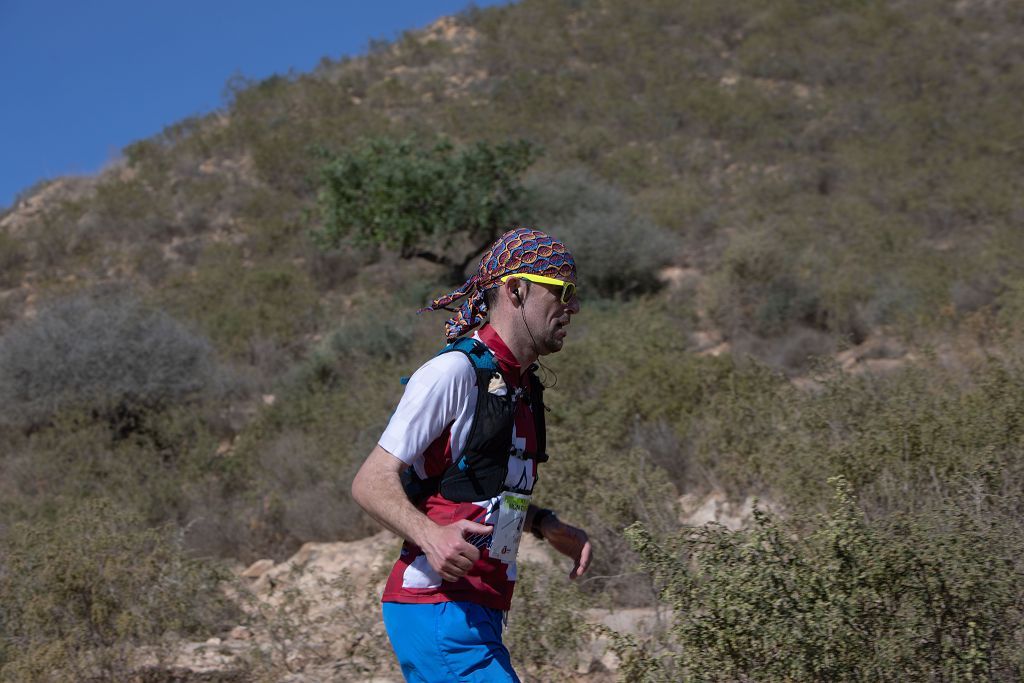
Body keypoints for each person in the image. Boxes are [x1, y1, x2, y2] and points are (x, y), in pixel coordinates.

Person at [351, 226, 592, 682]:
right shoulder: (453, 373)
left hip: (477, 609)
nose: (573, 307)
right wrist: (430, 535)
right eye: (562, 291)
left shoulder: (520, 385)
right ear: (516, 290)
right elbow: (370, 481)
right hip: (439, 610)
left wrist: (542, 523)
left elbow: (475, 487)